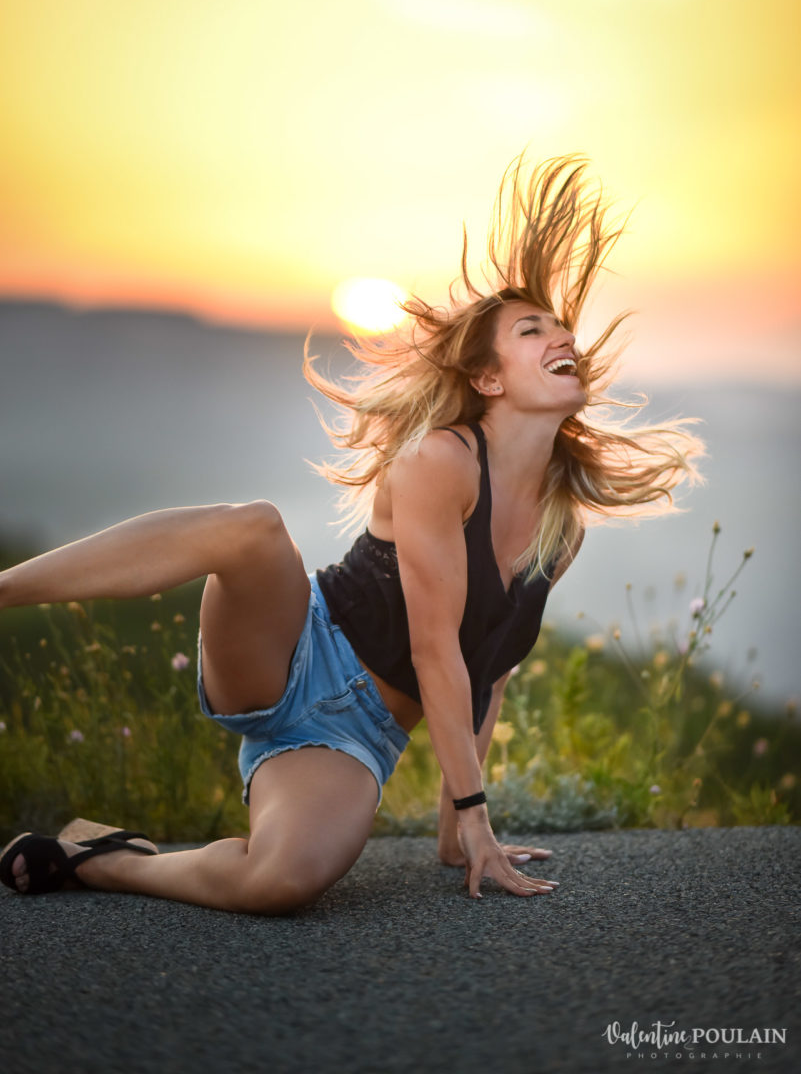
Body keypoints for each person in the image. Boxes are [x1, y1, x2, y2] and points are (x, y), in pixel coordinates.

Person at [0, 153, 702, 912]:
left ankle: (103, 861)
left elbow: (486, 670)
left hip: (353, 739)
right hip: (297, 645)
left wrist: (455, 830)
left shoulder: (558, 533)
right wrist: (476, 815)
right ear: (489, 380)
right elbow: (435, 647)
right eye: (532, 330)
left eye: (561, 327)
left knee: (282, 882)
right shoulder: (442, 460)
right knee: (254, 532)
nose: (561, 336)